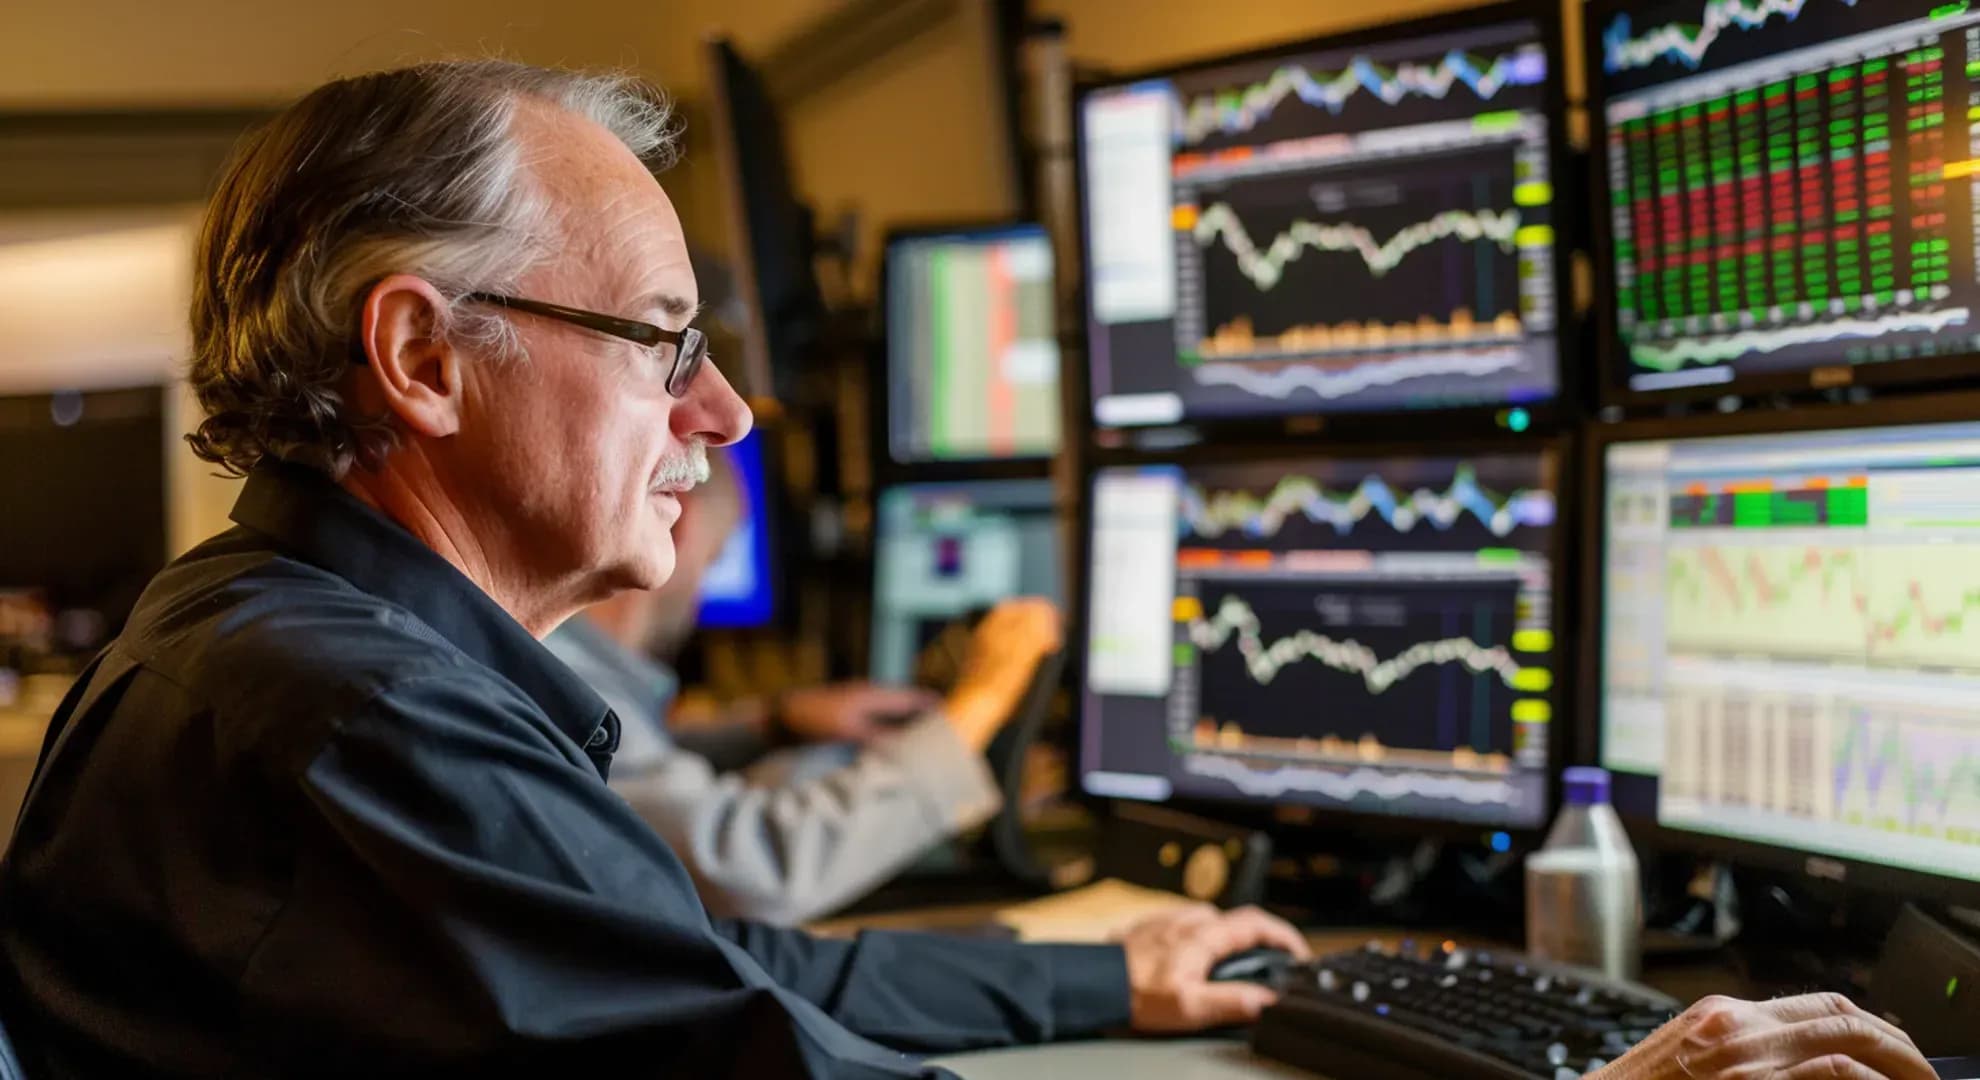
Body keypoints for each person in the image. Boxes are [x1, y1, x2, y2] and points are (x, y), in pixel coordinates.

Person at [0, 60, 1934, 1080]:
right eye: (666, 342)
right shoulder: (349, 724)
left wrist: (1117, 975)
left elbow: (717, 974)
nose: (728, 414)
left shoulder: (283, 652)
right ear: (423, 359)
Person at [548, 447, 1043, 924]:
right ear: (680, 523)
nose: (700, 593)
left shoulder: (568, 668)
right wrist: (984, 698)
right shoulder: (564, 679)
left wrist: (775, 724)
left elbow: (621, 761)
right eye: (714, 560)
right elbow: (749, 870)